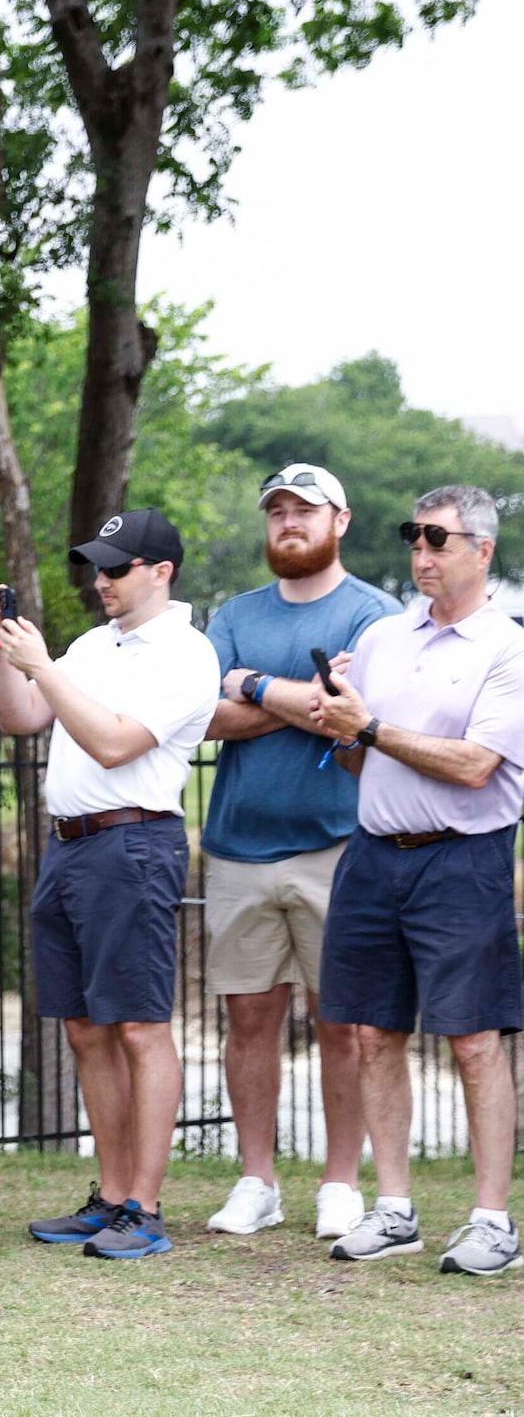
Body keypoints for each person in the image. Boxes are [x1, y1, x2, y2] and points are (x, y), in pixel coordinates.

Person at [0, 509, 221, 1261]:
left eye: (116, 568)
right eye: (96, 566)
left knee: (138, 1026)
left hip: (132, 843)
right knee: (84, 1027)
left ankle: (144, 1211)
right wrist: (6, 650)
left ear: (161, 572)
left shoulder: (185, 654)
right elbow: (20, 717)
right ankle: (111, 1194)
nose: (101, 580)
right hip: (69, 847)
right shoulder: (93, 643)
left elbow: (116, 743)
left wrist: (44, 665)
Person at [311, 486, 524, 1275]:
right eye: (413, 538)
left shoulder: (506, 646)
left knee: (473, 1041)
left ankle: (492, 1222)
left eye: (438, 540)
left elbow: (474, 767)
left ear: (481, 552)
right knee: (369, 1031)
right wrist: (341, 721)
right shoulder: (380, 638)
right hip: (373, 852)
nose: (422, 554)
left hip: (461, 857)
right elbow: (359, 755)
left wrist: (366, 726)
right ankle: (393, 1209)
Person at [198, 464, 393, 1238]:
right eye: (276, 511)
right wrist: (296, 699)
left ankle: (340, 1182)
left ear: (338, 521)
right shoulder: (234, 611)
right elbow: (200, 717)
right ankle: (256, 1180)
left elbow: (351, 720)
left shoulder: (373, 615)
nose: (288, 523)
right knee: (247, 1018)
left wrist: (248, 684)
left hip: (337, 846)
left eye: (303, 511)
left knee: (340, 1021)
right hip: (236, 845)